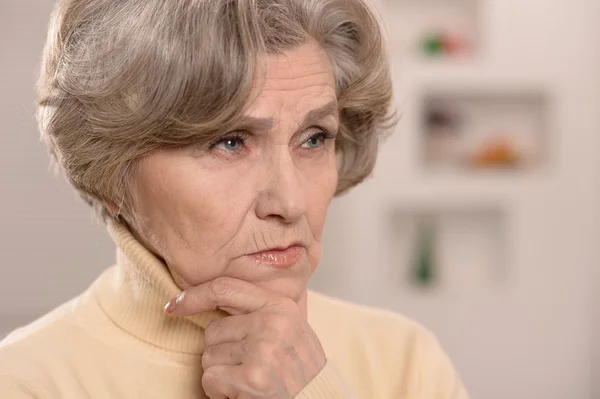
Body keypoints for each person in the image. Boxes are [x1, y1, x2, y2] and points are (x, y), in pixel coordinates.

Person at [0, 0, 470, 397]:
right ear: (112, 171)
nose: (290, 203)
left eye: (314, 138)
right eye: (229, 141)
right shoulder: (25, 382)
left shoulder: (404, 364)